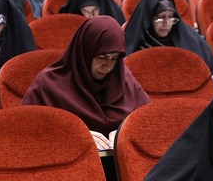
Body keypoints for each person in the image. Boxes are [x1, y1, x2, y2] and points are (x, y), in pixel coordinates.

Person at [22, 16, 151, 151]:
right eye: (102, 57)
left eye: (114, 58)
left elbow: (149, 120)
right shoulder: (48, 84)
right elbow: (26, 131)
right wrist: (74, 135)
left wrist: (126, 130)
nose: (108, 67)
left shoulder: (123, 77)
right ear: (85, 52)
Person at [124, 0, 213, 78]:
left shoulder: (189, 38)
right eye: (161, 17)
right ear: (148, 19)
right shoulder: (134, 44)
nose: (167, 23)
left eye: (171, 17)